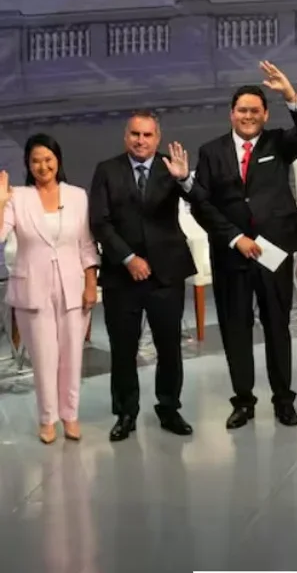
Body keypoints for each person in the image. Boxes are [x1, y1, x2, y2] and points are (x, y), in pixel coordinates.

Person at [189, 62, 297, 429]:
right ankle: (243, 401)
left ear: (265, 114)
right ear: (232, 114)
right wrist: (235, 238)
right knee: (235, 328)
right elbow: (201, 204)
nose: (248, 116)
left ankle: (283, 400)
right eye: (242, 110)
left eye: (255, 111)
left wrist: (289, 93)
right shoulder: (211, 152)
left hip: (273, 252)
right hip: (232, 253)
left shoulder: (279, 143)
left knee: (277, 325)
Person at [88, 112, 199, 441]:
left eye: (147, 135)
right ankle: (126, 413)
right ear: (126, 137)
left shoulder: (171, 167)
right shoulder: (107, 170)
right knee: (123, 349)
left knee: (169, 347)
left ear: (157, 138)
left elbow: (200, 201)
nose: (141, 140)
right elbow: (99, 222)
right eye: (135, 134)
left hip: (166, 274)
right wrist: (128, 258)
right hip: (122, 277)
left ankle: (169, 408)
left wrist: (184, 179)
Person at [0, 134, 99, 443]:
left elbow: (86, 244)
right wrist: (0, 202)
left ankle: (70, 415)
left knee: (71, 356)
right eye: (35, 161)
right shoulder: (18, 197)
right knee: (44, 358)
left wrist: (91, 284)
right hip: (33, 289)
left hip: (73, 286)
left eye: (48, 159)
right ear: (28, 165)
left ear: (58, 160)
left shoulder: (77, 196)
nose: (42, 166)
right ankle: (47, 419)